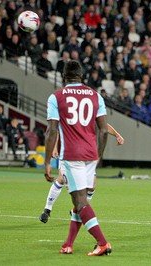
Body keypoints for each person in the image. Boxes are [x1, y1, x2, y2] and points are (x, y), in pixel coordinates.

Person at [43, 60, 111, 256]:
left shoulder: (56, 97)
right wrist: (98, 155)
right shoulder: (96, 96)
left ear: (64, 77)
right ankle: (68, 244)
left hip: (72, 156)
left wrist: (47, 162)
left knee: (80, 202)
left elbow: (51, 130)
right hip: (91, 155)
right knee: (78, 203)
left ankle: (103, 243)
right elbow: (104, 131)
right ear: (81, 76)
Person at [39, 123, 124, 223]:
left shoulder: (91, 110)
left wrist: (117, 134)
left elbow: (103, 124)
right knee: (61, 179)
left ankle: (77, 211)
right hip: (69, 151)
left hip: (86, 152)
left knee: (92, 185)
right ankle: (47, 209)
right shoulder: (70, 109)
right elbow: (58, 128)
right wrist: (54, 147)